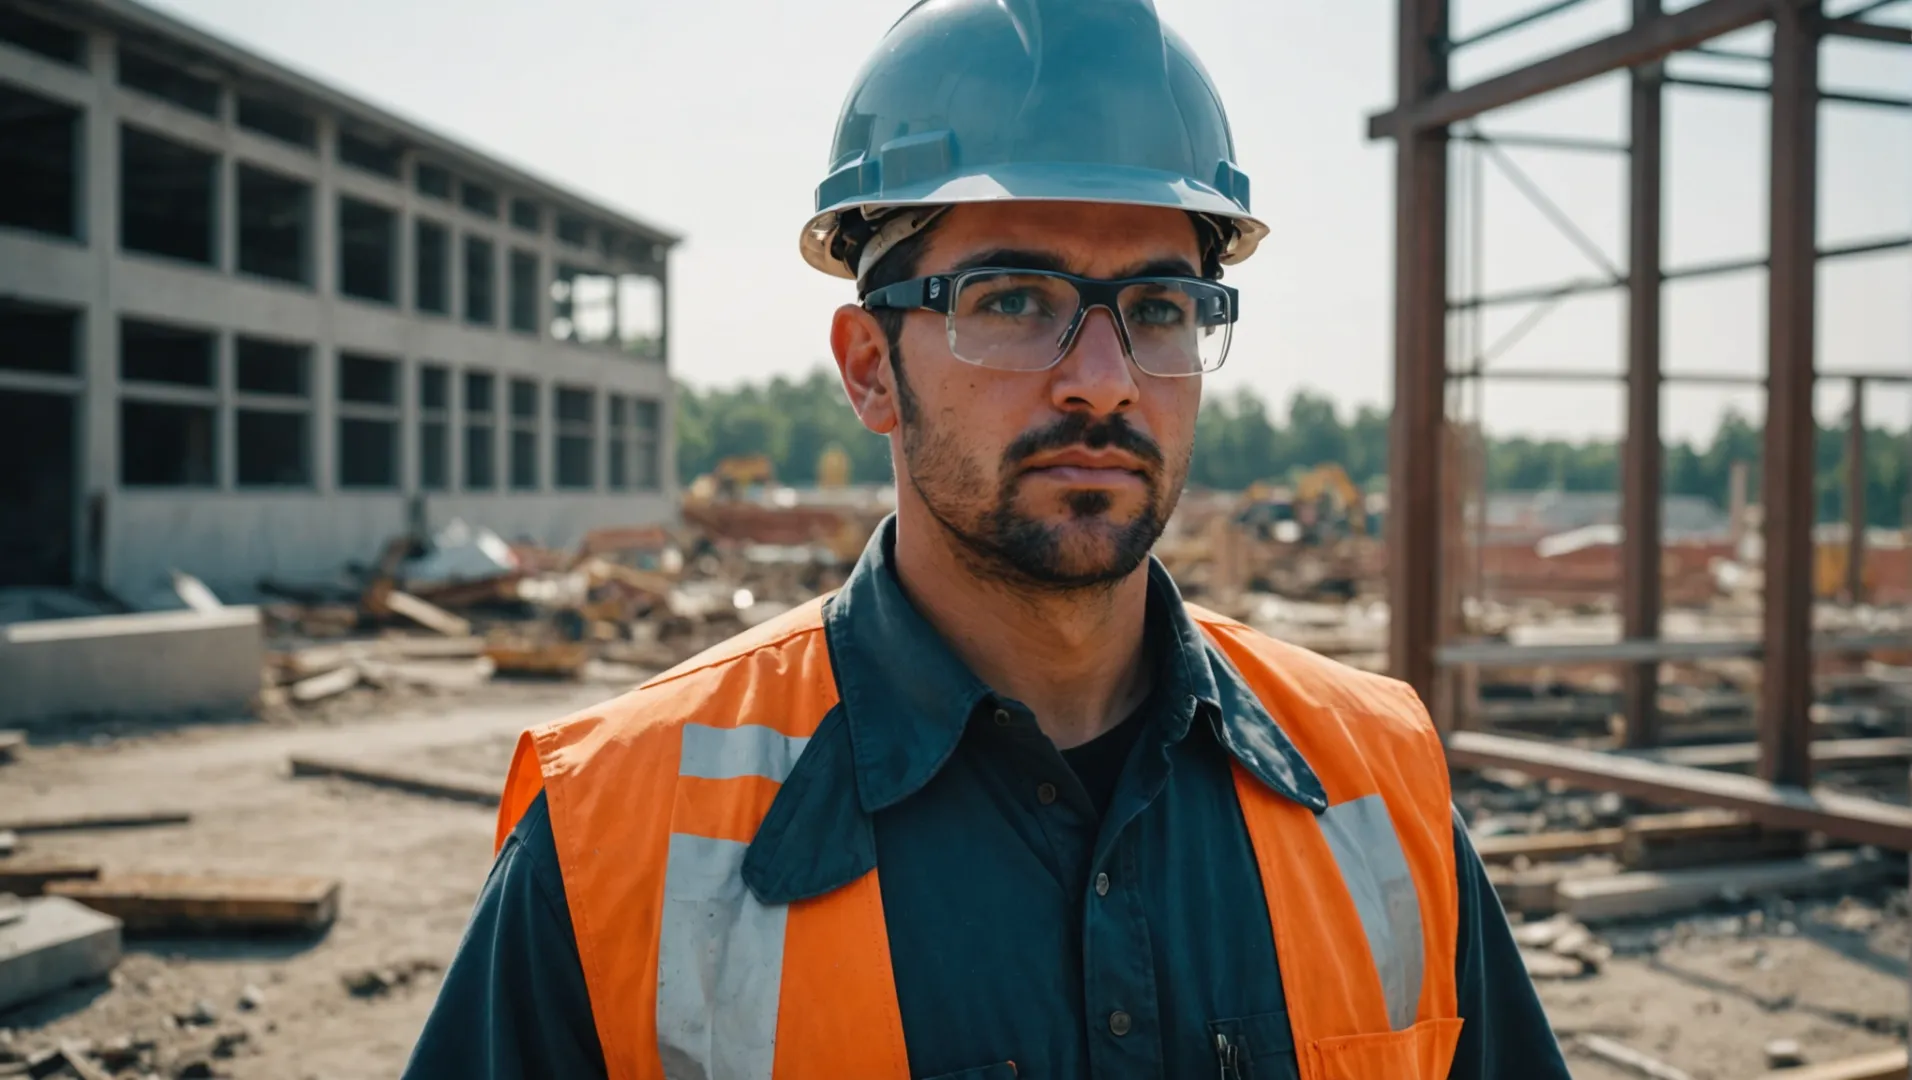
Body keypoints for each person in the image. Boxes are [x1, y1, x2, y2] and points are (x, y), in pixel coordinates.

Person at [406, 1, 1571, 1077]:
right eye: (1014, 299)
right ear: (871, 369)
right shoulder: (618, 831)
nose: (1104, 382)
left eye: (1160, 309)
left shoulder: (1378, 785)